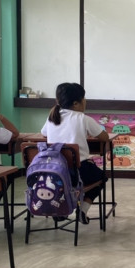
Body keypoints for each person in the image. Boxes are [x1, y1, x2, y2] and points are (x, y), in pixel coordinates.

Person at [42, 82, 109, 224]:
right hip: (77, 172)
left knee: (69, 182)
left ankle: (61, 209)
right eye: (84, 99)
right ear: (76, 103)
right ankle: (82, 210)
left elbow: (44, 133)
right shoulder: (83, 118)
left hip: (52, 172)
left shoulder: (52, 118)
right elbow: (104, 137)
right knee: (101, 177)